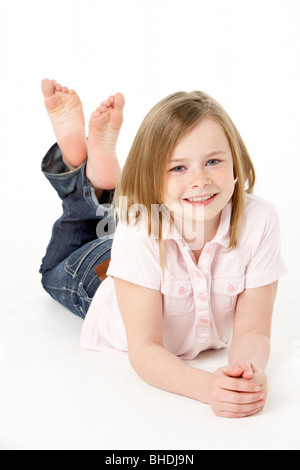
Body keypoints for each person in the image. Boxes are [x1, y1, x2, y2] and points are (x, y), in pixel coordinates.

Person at [40, 79, 287, 418]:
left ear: (236, 161)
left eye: (213, 161)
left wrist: (246, 371)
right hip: (99, 280)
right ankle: (88, 171)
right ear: (152, 176)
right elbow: (145, 350)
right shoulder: (138, 228)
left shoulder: (260, 219)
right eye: (179, 167)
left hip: (143, 243)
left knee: (112, 224)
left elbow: (254, 330)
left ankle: (100, 181)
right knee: (57, 264)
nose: (199, 179)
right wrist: (206, 387)